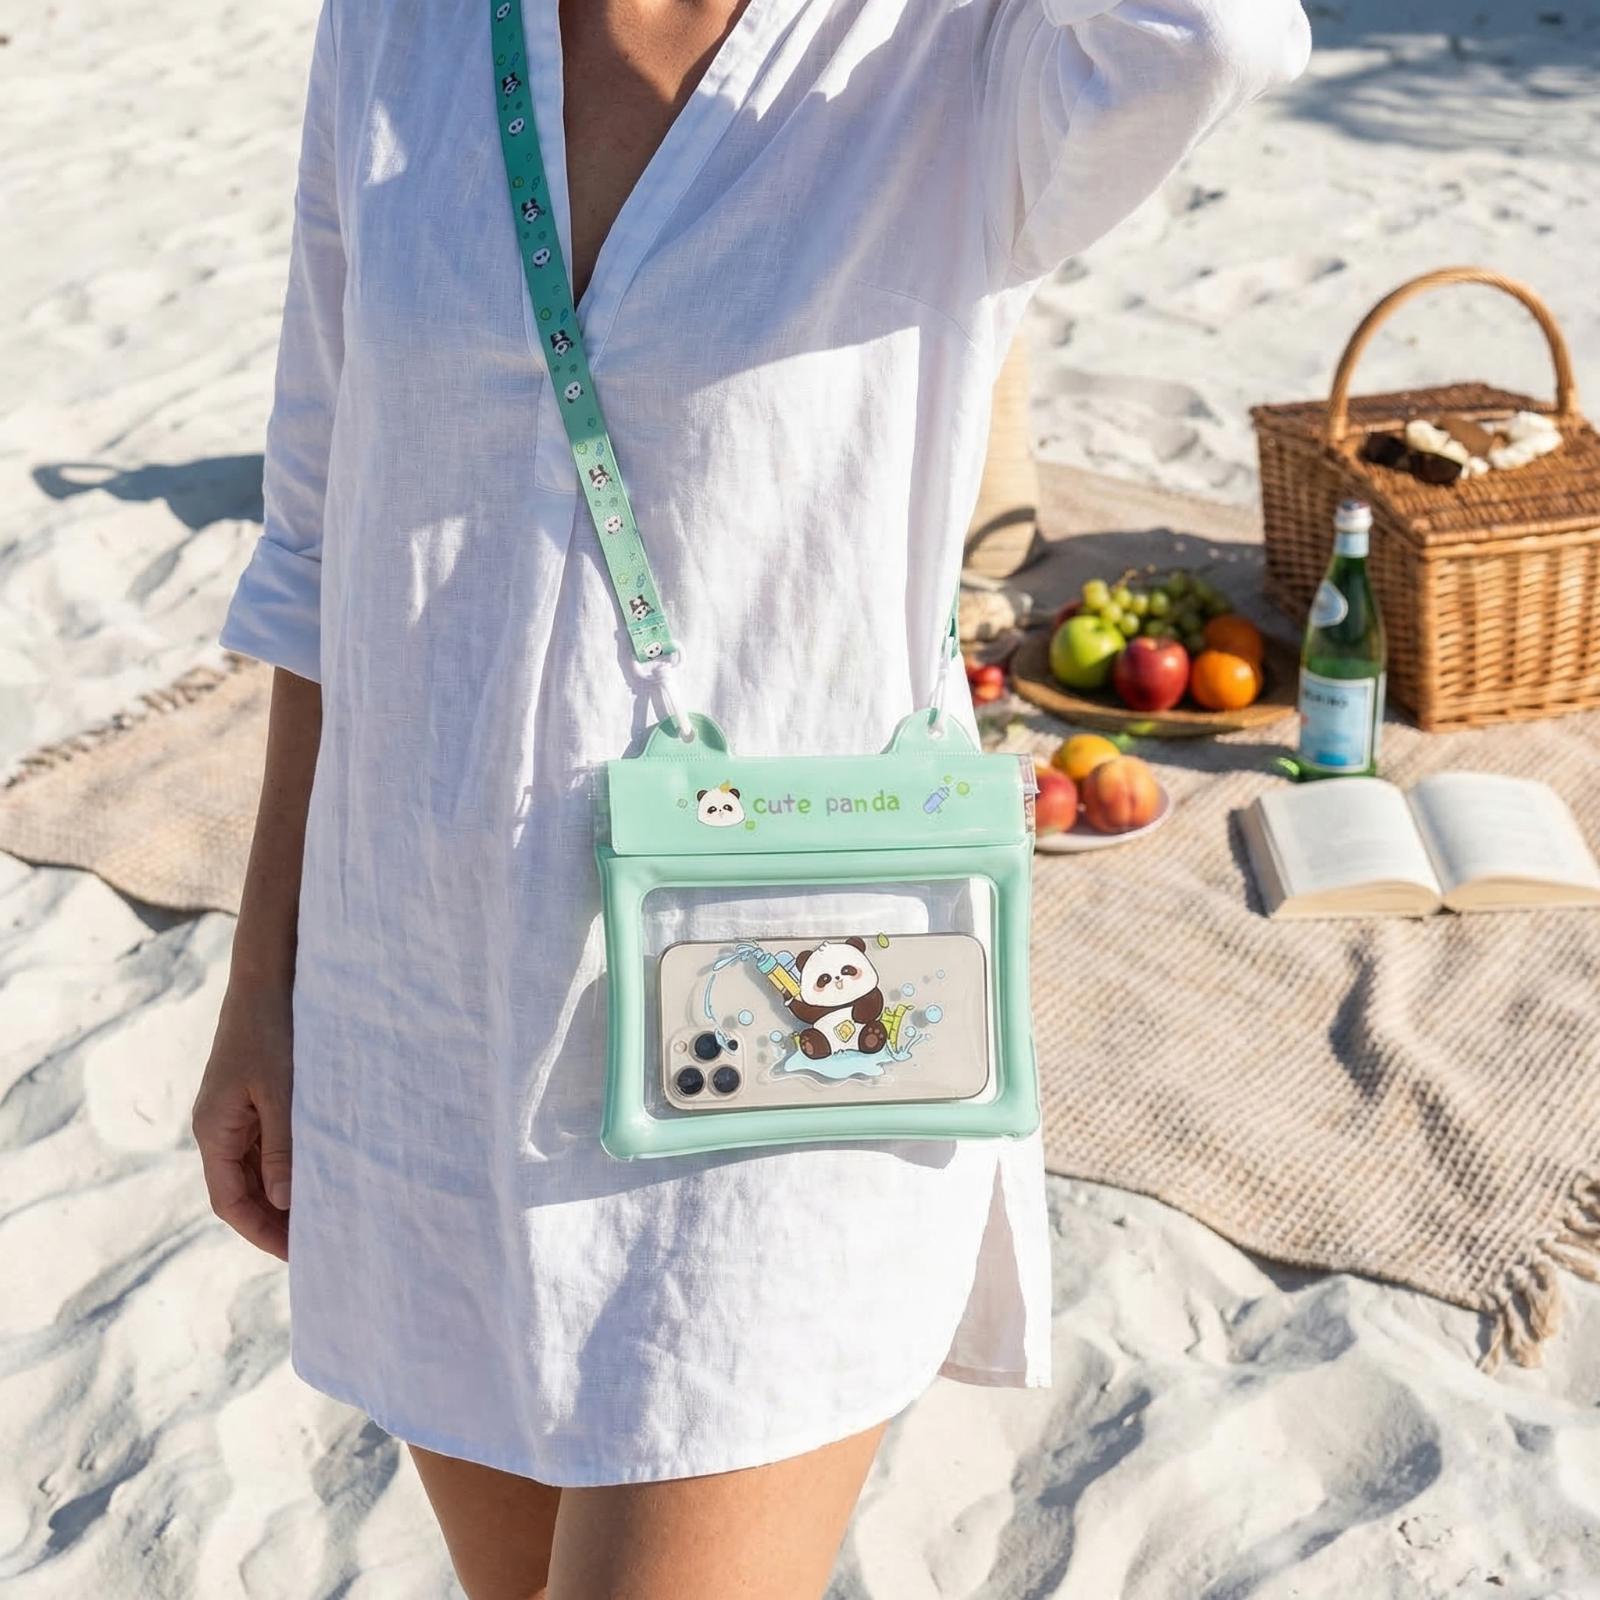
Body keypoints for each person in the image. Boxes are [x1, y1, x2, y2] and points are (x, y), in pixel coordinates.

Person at [192, 1, 1311, 1595]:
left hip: (792, 1025)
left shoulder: (957, 49)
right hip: (427, 1010)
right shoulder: (400, 24)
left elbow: (1224, 37)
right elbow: (318, 544)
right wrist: (265, 981)